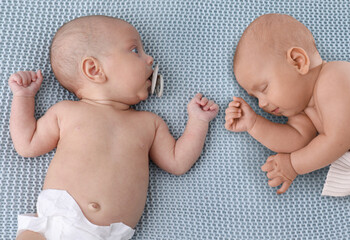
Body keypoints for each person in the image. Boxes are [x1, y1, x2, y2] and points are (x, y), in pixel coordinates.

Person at [9, 15, 219, 239]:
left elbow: (178, 162)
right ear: (93, 69)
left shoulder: (150, 124)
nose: (150, 59)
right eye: (135, 50)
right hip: (55, 223)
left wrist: (198, 121)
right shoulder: (66, 112)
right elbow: (27, 144)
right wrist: (24, 96)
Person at [225, 13, 350, 197]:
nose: (262, 103)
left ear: (298, 62)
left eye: (264, 89)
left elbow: (339, 139)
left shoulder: (335, 77)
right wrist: (254, 124)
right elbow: (295, 141)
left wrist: (293, 165)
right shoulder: (303, 111)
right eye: (255, 98)